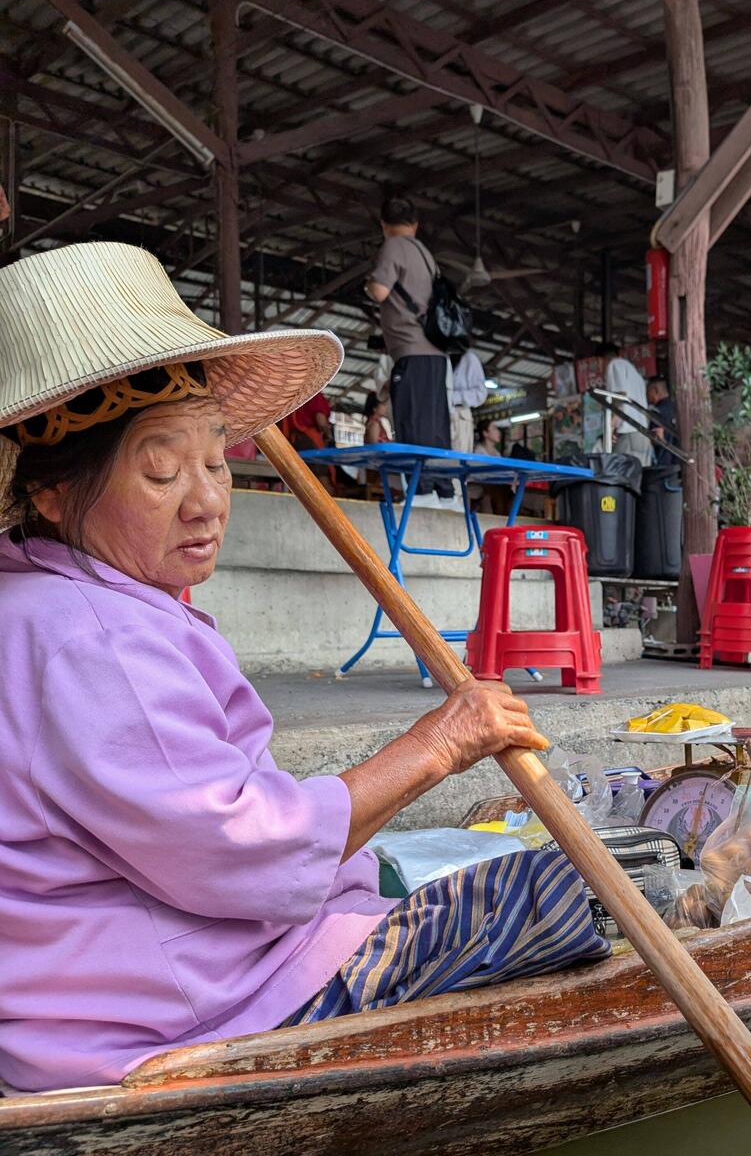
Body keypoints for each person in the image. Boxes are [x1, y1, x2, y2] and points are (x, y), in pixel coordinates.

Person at [0, 241, 609, 1093]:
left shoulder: (47, 593)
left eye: (215, 459)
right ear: (52, 494)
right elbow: (240, 847)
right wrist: (442, 741)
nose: (208, 499)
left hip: (129, 989)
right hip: (187, 1015)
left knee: (428, 870)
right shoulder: (89, 634)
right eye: (160, 469)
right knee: (558, 889)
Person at [365, 195, 451, 496]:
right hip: (436, 353)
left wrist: (368, 283)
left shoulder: (392, 247)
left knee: (411, 422)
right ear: (415, 224)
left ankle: (421, 491)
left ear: (383, 224)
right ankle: (443, 489)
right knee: (435, 424)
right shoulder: (427, 255)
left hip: (410, 348)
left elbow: (379, 291)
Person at [601, 343, 653, 467]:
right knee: (640, 477)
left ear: (601, 360)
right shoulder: (635, 373)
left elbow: (620, 397)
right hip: (642, 434)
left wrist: (611, 428)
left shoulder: (613, 365)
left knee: (622, 476)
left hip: (628, 433)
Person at [448, 345, 487, 456]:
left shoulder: (469, 358)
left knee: (457, 458)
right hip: (441, 414)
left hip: (460, 415)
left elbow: (480, 393)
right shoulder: (440, 355)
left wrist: (453, 397)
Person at [646, 375, 677, 465]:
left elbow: (656, 439)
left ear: (655, 390)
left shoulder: (657, 411)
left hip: (662, 463)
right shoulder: (675, 408)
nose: (647, 395)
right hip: (676, 463)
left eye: (648, 391)